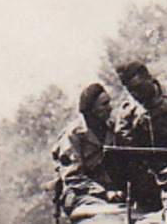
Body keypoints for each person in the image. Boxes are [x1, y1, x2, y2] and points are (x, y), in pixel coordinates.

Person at [51, 82, 122, 214]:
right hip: (80, 194)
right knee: (105, 212)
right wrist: (104, 194)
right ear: (91, 109)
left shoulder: (112, 130)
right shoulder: (73, 135)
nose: (110, 107)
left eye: (109, 102)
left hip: (110, 192)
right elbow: (73, 177)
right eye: (104, 104)